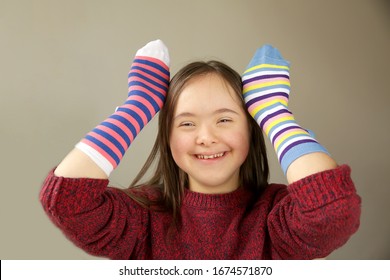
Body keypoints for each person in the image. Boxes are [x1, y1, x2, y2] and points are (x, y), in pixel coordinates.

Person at [40, 40, 361, 259]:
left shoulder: (277, 218)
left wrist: (274, 113)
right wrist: (139, 106)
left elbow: (333, 211)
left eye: (224, 119)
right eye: (187, 123)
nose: (205, 137)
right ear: (167, 138)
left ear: (252, 129)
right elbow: (66, 201)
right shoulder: (141, 219)